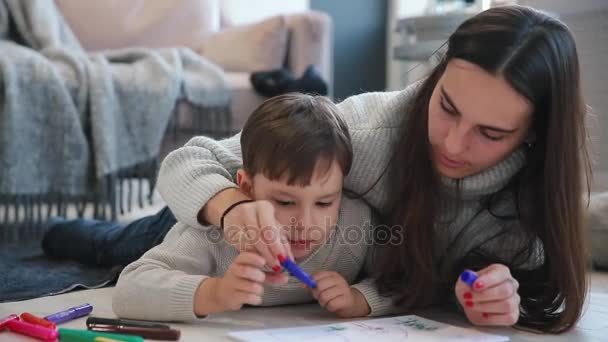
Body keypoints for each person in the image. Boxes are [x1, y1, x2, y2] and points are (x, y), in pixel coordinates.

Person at [154, 6, 590, 333]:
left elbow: (425, 282)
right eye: (447, 107)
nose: (453, 144)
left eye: (491, 134)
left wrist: (487, 298)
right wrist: (231, 210)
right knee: (115, 247)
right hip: (202, 226)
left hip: (330, 266)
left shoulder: (524, 208)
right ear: (436, 79)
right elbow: (188, 161)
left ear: (534, 135)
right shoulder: (367, 128)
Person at [112, 94, 384, 321]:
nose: (305, 223)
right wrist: (214, 293)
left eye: (325, 202)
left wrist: (359, 299)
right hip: (162, 224)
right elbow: (129, 290)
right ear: (246, 187)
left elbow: (410, 278)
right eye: (285, 202)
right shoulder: (213, 235)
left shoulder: (356, 223)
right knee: (105, 244)